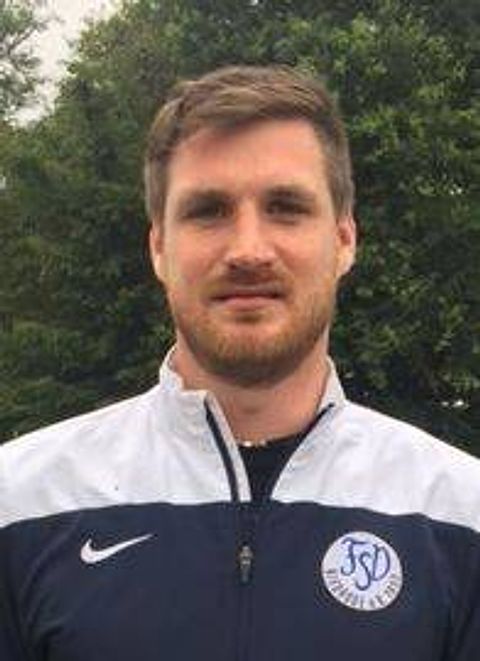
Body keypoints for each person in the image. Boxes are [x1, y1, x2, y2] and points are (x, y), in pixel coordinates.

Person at [1, 65, 479, 661]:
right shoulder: (19, 504)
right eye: (208, 210)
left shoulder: (461, 515)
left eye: (286, 207)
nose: (249, 250)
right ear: (158, 247)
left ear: (344, 241)